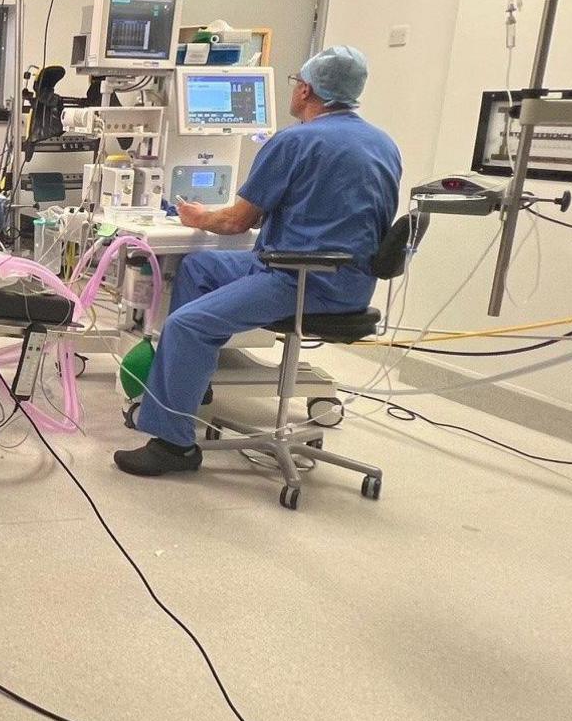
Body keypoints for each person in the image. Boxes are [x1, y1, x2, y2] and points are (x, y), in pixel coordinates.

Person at [116, 46, 402, 477]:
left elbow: (235, 222)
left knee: (185, 324)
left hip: (301, 279)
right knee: (199, 268)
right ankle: (191, 383)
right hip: (350, 281)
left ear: (306, 90)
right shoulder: (383, 142)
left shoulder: (295, 141)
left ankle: (174, 446)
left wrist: (195, 216)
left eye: (295, 83)